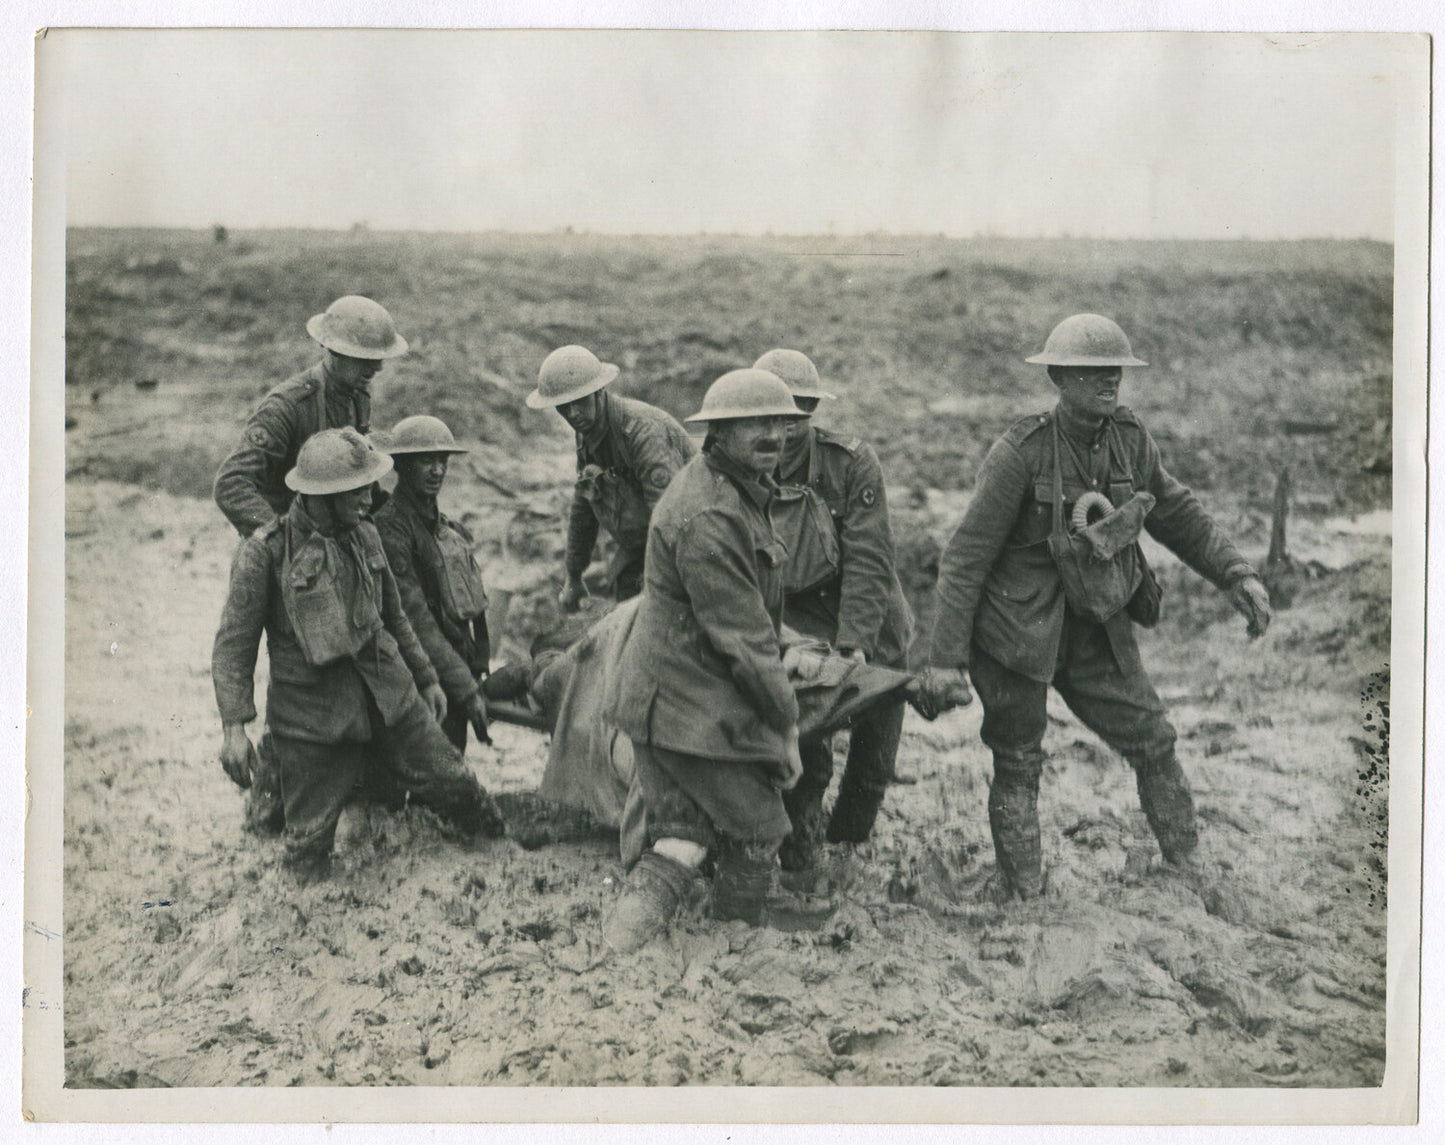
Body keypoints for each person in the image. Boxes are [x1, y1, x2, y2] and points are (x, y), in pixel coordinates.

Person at [916, 314, 1273, 901]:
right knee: (1018, 757)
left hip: (1095, 624)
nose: (1108, 381)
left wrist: (1234, 573)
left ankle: (1187, 869)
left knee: (1154, 738)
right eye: (1091, 371)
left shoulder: (1132, 441)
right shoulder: (1019, 453)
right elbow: (964, 559)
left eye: (1115, 370)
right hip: (1014, 632)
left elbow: (1176, 511)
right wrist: (946, 660)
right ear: (1059, 377)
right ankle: (1022, 894)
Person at [211, 428, 504, 882]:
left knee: (459, 786)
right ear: (322, 497)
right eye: (356, 491)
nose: (370, 497)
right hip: (313, 721)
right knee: (306, 855)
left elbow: (395, 615)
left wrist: (425, 678)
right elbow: (234, 645)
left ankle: (504, 863)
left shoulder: (366, 535)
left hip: (391, 698)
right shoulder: (264, 554)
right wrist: (234, 728)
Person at [601, 369, 810, 951]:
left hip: (672, 694)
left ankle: (624, 951)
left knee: (682, 841)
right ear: (718, 431)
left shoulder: (738, 490)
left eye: (781, 423)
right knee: (760, 828)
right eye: (756, 424)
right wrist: (786, 729)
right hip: (681, 704)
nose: (774, 435)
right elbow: (744, 640)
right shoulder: (711, 514)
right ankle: (736, 937)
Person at [752, 349, 914, 884]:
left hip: (870, 620)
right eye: (774, 414)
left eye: (800, 413)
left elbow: (870, 558)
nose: (787, 428)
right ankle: (801, 858)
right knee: (806, 745)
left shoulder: (849, 464)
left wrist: (856, 644)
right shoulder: (742, 467)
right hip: (796, 619)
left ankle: (848, 848)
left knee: (873, 760)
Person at [214, 295, 409, 537]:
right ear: (335, 351)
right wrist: (277, 537)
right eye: (364, 358)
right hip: (289, 552)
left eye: (379, 358)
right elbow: (232, 485)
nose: (377, 368)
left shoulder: (358, 398)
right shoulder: (287, 407)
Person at [525, 345, 697, 608]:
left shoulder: (642, 432)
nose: (573, 414)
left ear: (599, 393)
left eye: (580, 402)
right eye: (563, 407)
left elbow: (668, 517)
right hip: (642, 544)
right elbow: (584, 504)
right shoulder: (588, 433)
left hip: (689, 542)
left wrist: (655, 581)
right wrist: (573, 575)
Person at [373, 415, 492, 754]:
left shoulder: (443, 527)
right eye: (426, 460)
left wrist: (477, 668)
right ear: (401, 465)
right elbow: (414, 618)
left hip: (451, 671)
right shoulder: (391, 531)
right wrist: (466, 688)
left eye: (443, 460)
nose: (437, 470)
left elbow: (471, 609)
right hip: (418, 678)